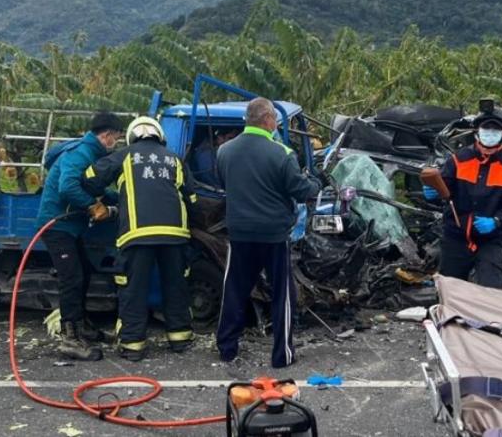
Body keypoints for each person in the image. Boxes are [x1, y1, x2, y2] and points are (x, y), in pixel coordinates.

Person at [215, 98, 321, 368]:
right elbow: (301, 190)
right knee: (282, 295)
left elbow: (223, 182)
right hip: (273, 235)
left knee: (234, 291)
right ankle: (281, 355)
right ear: (268, 120)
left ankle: (227, 348)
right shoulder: (282, 153)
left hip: (239, 233)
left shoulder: (225, 152)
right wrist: (316, 181)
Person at [82, 116, 197, 362]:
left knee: (133, 289)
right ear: (159, 135)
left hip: (137, 235)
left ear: (134, 135)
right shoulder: (174, 160)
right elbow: (193, 199)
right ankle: (180, 339)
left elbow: (90, 178)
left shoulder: (124, 155)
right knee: (175, 286)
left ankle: (133, 346)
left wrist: (108, 197)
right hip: (175, 236)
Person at [36, 112, 124, 361]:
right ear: (106, 136)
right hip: (56, 225)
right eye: (116, 139)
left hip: (70, 227)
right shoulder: (81, 153)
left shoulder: (90, 153)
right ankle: (70, 338)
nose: (115, 144)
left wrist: (121, 198)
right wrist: (93, 207)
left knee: (84, 273)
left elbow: (92, 188)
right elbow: (68, 187)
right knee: (72, 278)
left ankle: (82, 326)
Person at [423, 101, 502, 288]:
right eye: (486, 128)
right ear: (477, 131)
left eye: (495, 129)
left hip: (490, 241)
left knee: (490, 293)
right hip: (456, 238)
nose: (490, 133)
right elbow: (445, 190)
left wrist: (496, 221)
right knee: (449, 291)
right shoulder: (459, 159)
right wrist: (433, 192)